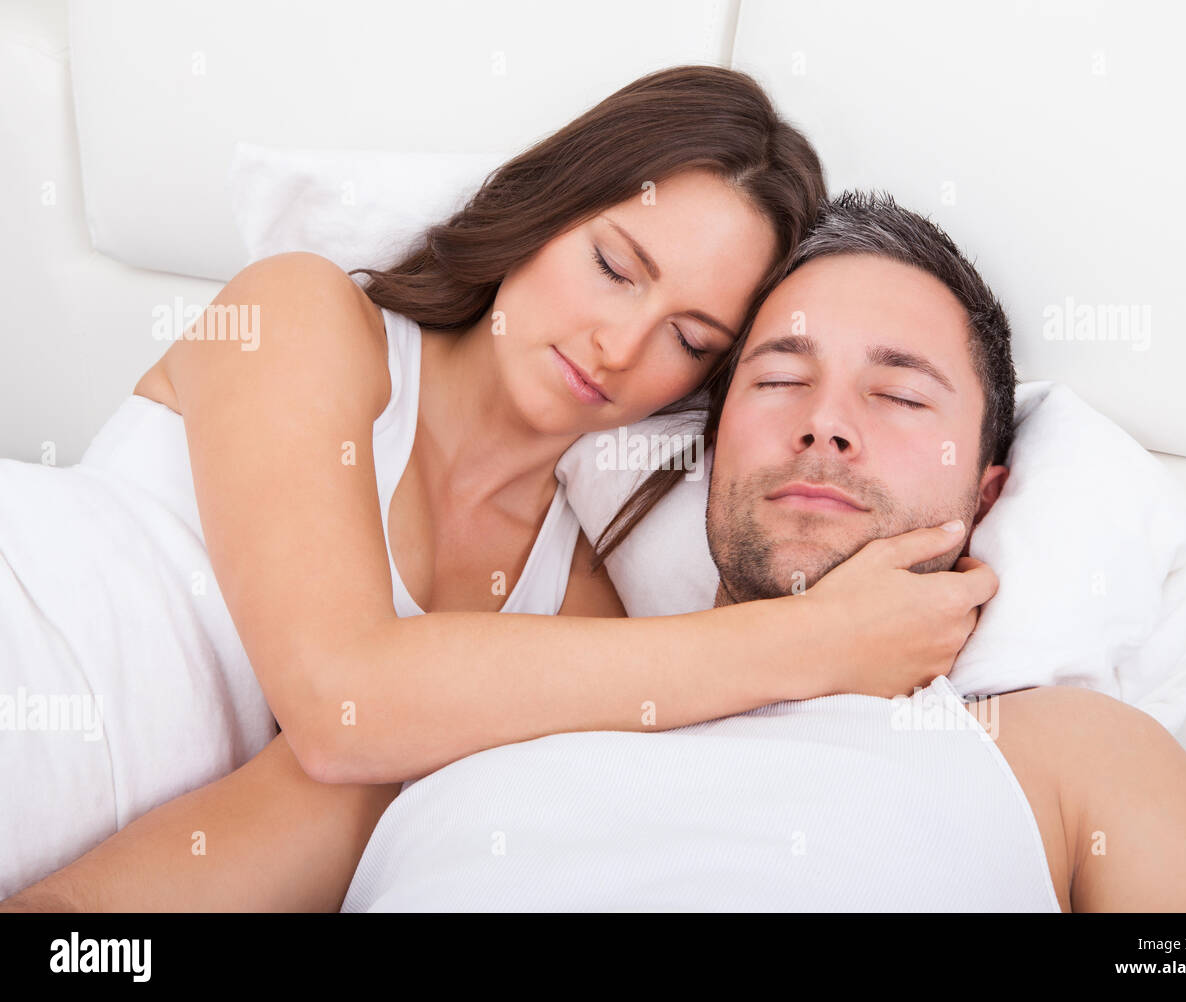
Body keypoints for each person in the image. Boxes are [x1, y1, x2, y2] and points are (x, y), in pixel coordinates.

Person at [6, 190, 1186, 911]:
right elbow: (83, 935)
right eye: (776, 378)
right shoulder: (493, 704)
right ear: (709, 450)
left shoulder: (1061, 749)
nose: (826, 421)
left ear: (989, 488)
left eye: (899, 394)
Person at [0, 68, 996, 900]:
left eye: (691, 339)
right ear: (545, 207)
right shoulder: (302, 316)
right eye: (614, 267)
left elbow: (324, 790)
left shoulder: (574, 612)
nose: (619, 345)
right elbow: (341, 697)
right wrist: (812, 641)